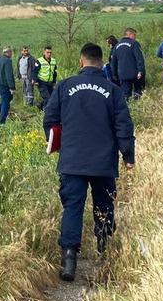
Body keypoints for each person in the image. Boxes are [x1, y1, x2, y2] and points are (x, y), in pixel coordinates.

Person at [43, 43, 135, 282]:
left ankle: (69, 259)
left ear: (81, 62)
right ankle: (105, 254)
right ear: (101, 63)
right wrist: (128, 156)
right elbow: (123, 125)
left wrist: (55, 144)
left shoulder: (64, 86)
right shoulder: (113, 90)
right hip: (103, 161)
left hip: (72, 160)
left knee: (72, 207)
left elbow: (50, 119)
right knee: (104, 206)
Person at [110, 28, 145, 100]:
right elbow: (139, 58)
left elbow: (113, 62)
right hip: (135, 74)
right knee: (137, 92)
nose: (135, 37)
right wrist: (141, 71)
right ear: (130, 34)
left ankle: (128, 108)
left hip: (122, 74)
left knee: (126, 95)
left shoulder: (117, 46)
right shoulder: (134, 44)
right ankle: (137, 106)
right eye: (134, 35)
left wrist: (114, 75)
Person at [0, 47, 16, 124]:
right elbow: (9, 75)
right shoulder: (7, 61)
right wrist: (12, 87)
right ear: (8, 52)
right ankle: (2, 121)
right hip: (4, 84)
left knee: (8, 98)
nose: (11, 54)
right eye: (11, 52)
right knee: (6, 102)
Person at [34, 46, 58, 110]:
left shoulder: (53, 61)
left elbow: (55, 72)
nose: (49, 54)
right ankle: (46, 111)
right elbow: (34, 72)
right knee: (47, 98)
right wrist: (35, 81)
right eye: (47, 52)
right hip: (41, 82)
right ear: (44, 52)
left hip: (50, 82)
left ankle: (40, 105)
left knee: (52, 97)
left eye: (50, 52)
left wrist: (54, 81)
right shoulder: (39, 61)